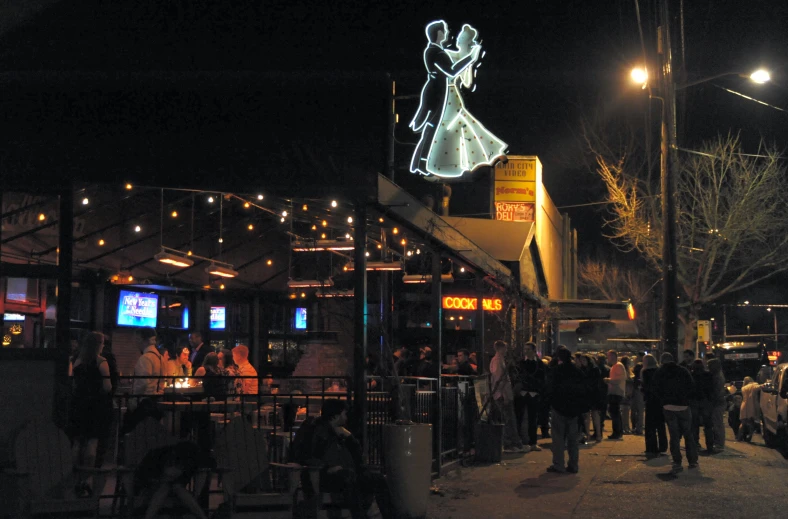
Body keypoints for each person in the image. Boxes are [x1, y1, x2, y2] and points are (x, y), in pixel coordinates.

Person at [409, 20, 484, 178]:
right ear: (439, 34)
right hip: (435, 93)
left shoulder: (438, 51)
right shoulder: (435, 52)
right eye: (445, 30)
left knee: (431, 129)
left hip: (439, 93)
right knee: (430, 128)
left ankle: (421, 164)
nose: (448, 32)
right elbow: (452, 71)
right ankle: (421, 164)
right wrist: (471, 57)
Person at [311, 400, 392, 519]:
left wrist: (350, 438)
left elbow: (358, 458)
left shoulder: (340, 432)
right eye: (344, 414)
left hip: (347, 473)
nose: (346, 417)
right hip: (328, 478)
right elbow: (313, 456)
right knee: (349, 478)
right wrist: (327, 468)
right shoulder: (320, 431)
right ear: (336, 416)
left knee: (378, 479)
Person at [70, 331, 113, 497]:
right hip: (96, 406)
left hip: (79, 405)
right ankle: (86, 478)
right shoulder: (101, 362)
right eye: (102, 343)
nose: (103, 346)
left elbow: (73, 384)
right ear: (98, 345)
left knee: (77, 441)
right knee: (92, 444)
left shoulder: (76, 361)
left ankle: (73, 475)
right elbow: (107, 387)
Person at [545, 347, 590, 474]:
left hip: (559, 408)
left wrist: (551, 403)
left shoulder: (556, 371)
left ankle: (558, 464)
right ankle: (573, 465)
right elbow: (584, 389)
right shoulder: (577, 371)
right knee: (573, 440)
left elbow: (550, 388)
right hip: (574, 410)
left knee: (558, 438)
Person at [653, 352, 698, 474]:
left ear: (662, 361)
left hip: (668, 407)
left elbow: (656, 389)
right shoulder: (683, 371)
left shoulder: (660, 372)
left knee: (674, 435)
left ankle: (677, 461)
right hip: (683, 406)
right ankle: (692, 460)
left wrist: (663, 400)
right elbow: (692, 386)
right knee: (688, 434)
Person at [490, 340, 525, 452]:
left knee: (509, 419)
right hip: (503, 394)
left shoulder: (498, 360)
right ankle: (509, 444)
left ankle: (513, 443)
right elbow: (499, 379)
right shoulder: (497, 361)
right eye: (505, 348)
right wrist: (504, 394)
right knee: (508, 419)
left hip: (503, 393)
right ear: (500, 348)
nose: (506, 350)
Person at [514, 342, 545, 451]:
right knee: (520, 417)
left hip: (533, 393)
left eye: (528, 349)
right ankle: (522, 442)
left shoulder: (539, 364)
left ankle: (532, 442)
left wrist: (537, 389)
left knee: (533, 418)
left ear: (534, 351)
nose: (526, 351)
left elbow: (542, 379)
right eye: (525, 349)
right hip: (523, 393)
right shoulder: (521, 363)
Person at [641, 354, 667, 457]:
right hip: (660, 401)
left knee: (650, 425)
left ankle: (651, 447)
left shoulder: (645, 372)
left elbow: (645, 387)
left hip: (650, 401)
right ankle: (663, 446)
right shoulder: (660, 371)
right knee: (660, 425)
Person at [689, 359, 715, 452]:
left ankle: (695, 444)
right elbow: (711, 389)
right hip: (705, 401)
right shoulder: (708, 375)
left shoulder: (691, 376)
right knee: (708, 425)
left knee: (694, 425)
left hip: (694, 401)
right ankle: (710, 445)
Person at [131, 328, 164, 402]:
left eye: (137, 339)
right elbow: (162, 381)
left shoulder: (145, 358)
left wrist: (134, 399)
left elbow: (142, 383)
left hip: (145, 401)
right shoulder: (161, 357)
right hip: (158, 400)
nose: (136, 342)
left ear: (142, 339)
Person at [604, 350, 626, 440]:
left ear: (613, 356)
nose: (608, 358)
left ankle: (617, 432)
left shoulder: (617, 366)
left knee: (614, 412)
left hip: (616, 392)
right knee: (615, 412)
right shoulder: (616, 366)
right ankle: (618, 431)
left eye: (609, 356)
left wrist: (608, 380)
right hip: (615, 392)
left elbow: (618, 379)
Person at [707, 358, 727, 450]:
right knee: (717, 423)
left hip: (717, 402)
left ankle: (719, 443)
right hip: (719, 401)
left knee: (717, 423)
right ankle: (719, 442)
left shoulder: (717, 377)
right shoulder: (719, 375)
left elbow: (716, 391)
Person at [739, 376, 762, 442]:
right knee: (752, 422)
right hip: (752, 405)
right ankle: (749, 438)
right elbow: (760, 387)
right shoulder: (754, 385)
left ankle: (739, 437)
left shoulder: (743, 388)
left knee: (743, 423)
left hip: (744, 405)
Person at [631, 354, 645, 435]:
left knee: (638, 410)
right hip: (640, 389)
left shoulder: (639, 366)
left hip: (637, 388)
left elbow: (635, 375)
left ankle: (638, 427)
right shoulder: (644, 366)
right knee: (640, 410)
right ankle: (638, 427)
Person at [620, 356, 634, 434]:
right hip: (626, 391)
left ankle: (626, 427)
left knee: (626, 411)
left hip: (627, 391)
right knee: (625, 411)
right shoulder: (625, 371)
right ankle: (625, 427)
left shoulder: (627, 370)